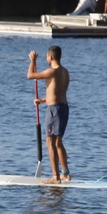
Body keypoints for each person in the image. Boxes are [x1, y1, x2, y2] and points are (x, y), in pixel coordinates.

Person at [27, 46, 71, 183]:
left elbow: (30, 75)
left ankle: (55, 176)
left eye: (46, 57)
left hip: (54, 110)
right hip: (63, 108)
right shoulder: (65, 72)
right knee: (58, 142)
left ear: (51, 57)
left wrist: (33, 61)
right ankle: (65, 173)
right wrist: (43, 100)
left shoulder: (52, 71)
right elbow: (58, 92)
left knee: (50, 142)